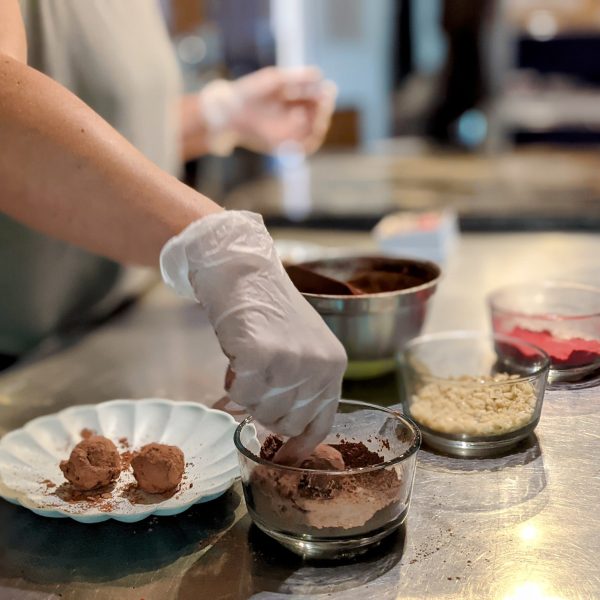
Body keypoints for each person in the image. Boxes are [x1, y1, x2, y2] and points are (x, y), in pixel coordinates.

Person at [0, 0, 345, 461]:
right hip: (19, 370)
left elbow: (98, 133)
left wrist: (218, 115)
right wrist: (222, 248)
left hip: (109, 333)